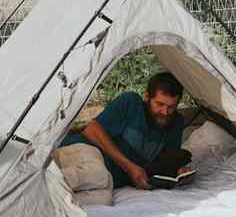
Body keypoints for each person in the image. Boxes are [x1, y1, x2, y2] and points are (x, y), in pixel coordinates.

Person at [62, 72, 192, 190]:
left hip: (108, 180)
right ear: (147, 97)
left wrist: (179, 171)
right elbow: (91, 130)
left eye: (171, 107)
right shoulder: (131, 103)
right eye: (159, 104)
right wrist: (129, 167)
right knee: (97, 175)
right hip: (84, 152)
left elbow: (168, 157)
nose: (165, 112)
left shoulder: (176, 122)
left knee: (100, 201)